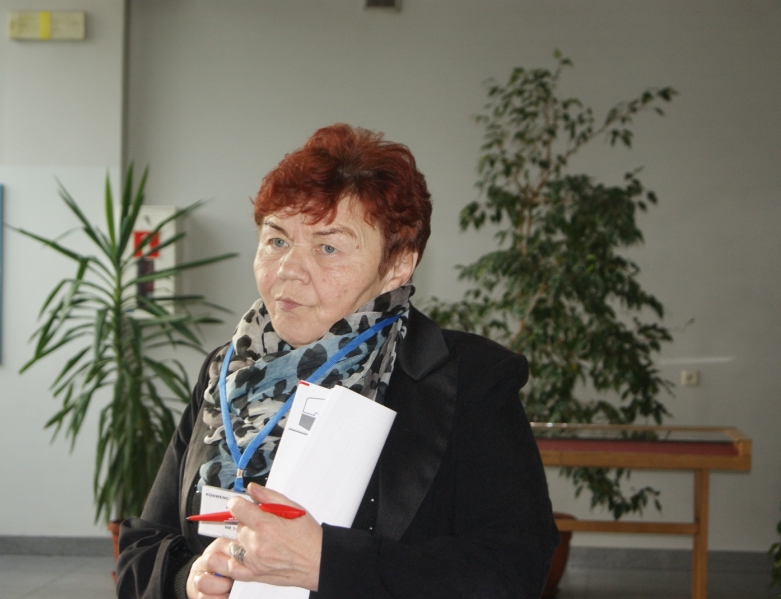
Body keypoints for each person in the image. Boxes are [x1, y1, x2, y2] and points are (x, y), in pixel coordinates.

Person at [116, 124, 559, 599]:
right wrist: (190, 579)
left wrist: (325, 563)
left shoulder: (468, 377)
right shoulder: (226, 372)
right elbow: (142, 551)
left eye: (328, 247)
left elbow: (512, 569)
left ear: (397, 265)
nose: (288, 270)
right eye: (276, 241)